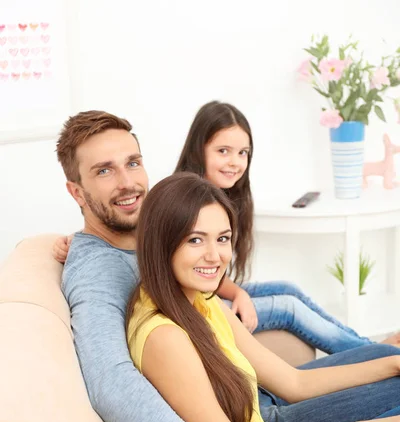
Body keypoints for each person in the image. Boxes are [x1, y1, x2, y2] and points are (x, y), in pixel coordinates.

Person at [57, 109, 308, 422]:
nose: (128, 182)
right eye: (104, 171)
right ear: (76, 192)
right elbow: (112, 386)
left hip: (237, 382)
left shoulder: (141, 232)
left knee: (301, 308)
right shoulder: (96, 272)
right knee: (288, 309)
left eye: (133, 163)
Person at [126, 170, 400, 422]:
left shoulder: (200, 302)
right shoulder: (163, 338)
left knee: (387, 369)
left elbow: (293, 383)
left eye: (222, 239)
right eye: (194, 240)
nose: (215, 255)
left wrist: (391, 363)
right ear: (160, 243)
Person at [54, 101, 400, 353]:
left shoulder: (221, 198)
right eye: (223, 150)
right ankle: (373, 353)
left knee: (287, 288)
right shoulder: (181, 198)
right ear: (199, 149)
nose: (234, 162)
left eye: (242, 153)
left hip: (200, 292)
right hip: (192, 303)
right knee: (288, 307)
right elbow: (166, 251)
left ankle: (367, 346)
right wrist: (77, 241)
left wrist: (236, 291)